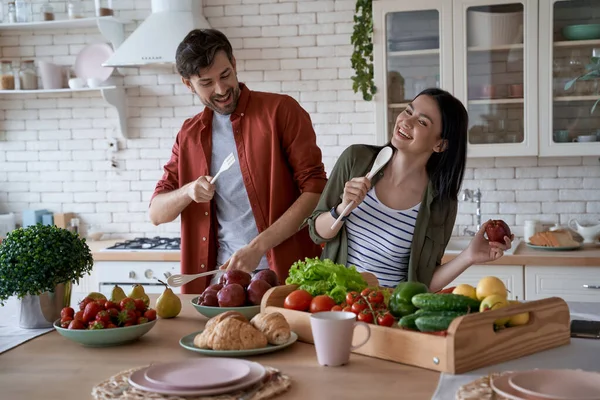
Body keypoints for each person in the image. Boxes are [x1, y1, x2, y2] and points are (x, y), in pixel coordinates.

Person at [149, 29, 327, 294]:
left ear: (234, 64)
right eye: (206, 83)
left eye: (225, 75)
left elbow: (315, 191)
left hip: (286, 279)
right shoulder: (188, 134)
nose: (221, 90)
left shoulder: (281, 111)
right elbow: (156, 213)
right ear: (188, 84)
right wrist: (188, 191)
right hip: (221, 283)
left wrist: (257, 248)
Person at [306, 88, 513, 292]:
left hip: (387, 314)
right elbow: (316, 232)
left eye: (422, 122)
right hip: (333, 306)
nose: (406, 121)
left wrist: (469, 256)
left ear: (440, 145)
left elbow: (423, 284)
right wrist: (342, 208)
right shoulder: (356, 160)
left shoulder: (441, 204)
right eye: (408, 111)